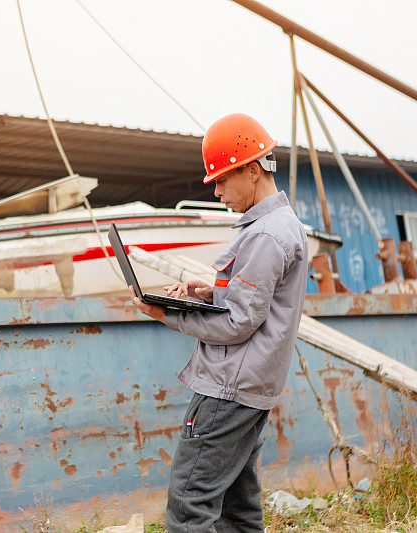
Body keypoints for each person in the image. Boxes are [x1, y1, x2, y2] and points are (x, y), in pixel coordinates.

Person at [129, 113, 309, 532]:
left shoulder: (265, 234)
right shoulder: (278, 226)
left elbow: (237, 325)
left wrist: (168, 313)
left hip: (228, 388)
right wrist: (212, 291)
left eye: (223, 179)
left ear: (252, 169)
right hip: (250, 388)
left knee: (189, 504)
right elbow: (260, 301)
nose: (217, 189)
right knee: (237, 506)